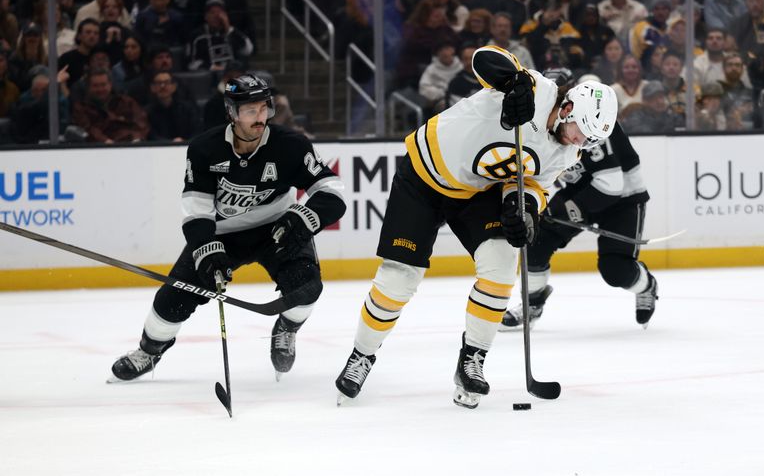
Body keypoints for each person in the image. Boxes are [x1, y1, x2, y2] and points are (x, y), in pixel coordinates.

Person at [334, 45, 618, 409]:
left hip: (476, 191)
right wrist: (511, 81)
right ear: (567, 109)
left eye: (591, 140)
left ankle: (472, 360)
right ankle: (362, 356)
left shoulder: (567, 152)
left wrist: (523, 209)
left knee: (502, 265)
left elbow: (537, 186)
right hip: (423, 176)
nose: (582, 142)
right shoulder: (535, 88)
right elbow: (483, 57)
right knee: (399, 277)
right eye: (583, 131)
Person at [109, 74, 346, 382]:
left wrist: (302, 219)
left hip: (278, 229)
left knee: (307, 287)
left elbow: (332, 192)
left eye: (264, 109)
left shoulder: (291, 145)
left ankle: (287, 328)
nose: (260, 118)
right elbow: (197, 210)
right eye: (251, 111)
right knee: (173, 298)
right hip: (223, 234)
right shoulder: (204, 149)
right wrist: (207, 250)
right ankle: (149, 350)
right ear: (232, 113)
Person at [500, 69, 657, 332]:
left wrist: (566, 208)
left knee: (615, 270)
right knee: (536, 240)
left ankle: (647, 286)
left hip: (623, 199)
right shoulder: (550, 118)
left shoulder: (589, 120)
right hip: (582, 189)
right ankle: (533, 303)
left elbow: (611, 185)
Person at [71, 68, 149, 143]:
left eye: (103, 84)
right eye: (95, 86)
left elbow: (141, 123)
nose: (100, 89)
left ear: (110, 84)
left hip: (131, 147)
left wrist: (136, 140)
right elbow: (86, 130)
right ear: (88, 87)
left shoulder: (126, 102)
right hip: (99, 149)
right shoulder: (81, 108)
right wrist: (106, 142)